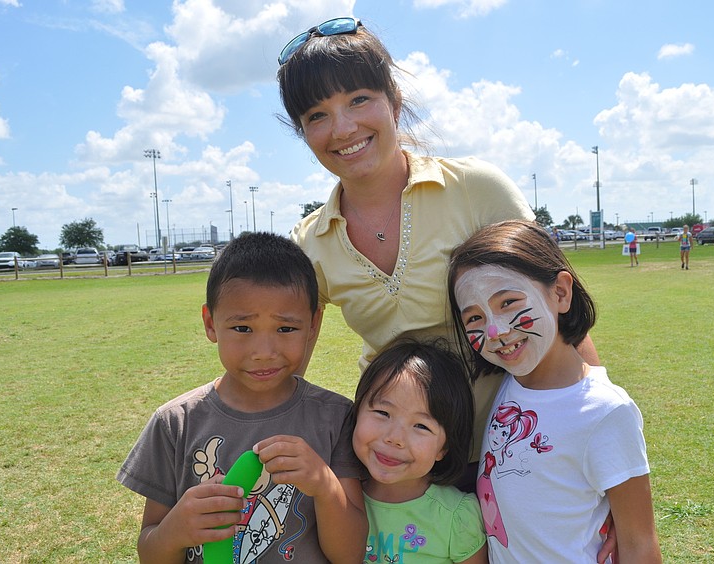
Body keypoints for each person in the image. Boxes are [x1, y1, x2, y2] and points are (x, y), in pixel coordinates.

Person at [277, 15, 599, 461]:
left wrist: (597, 423)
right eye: (317, 115)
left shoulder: (475, 189)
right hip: (398, 463)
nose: (343, 128)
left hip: (516, 447)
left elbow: (560, 317)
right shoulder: (309, 241)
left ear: (394, 102)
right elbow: (283, 359)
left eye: (358, 99)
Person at [116, 232, 367, 564]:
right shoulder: (176, 423)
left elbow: (350, 554)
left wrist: (324, 484)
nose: (263, 352)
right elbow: (150, 554)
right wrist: (175, 530)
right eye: (243, 329)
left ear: (313, 324)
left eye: (286, 329)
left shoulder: (336, 417)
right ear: (211, 324)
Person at [447, 220, 661, 562]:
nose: (494, 331)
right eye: (474, 318)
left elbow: (639, 542)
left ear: (560, 293)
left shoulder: (606, 410)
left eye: (508, 302)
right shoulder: (508, 384)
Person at [350, 339, 488, 563]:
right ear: (356, 410)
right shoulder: (339, 494)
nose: (395, 438)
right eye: (383, 413)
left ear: (444, 448)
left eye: (421, 426)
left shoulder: (456, 516)